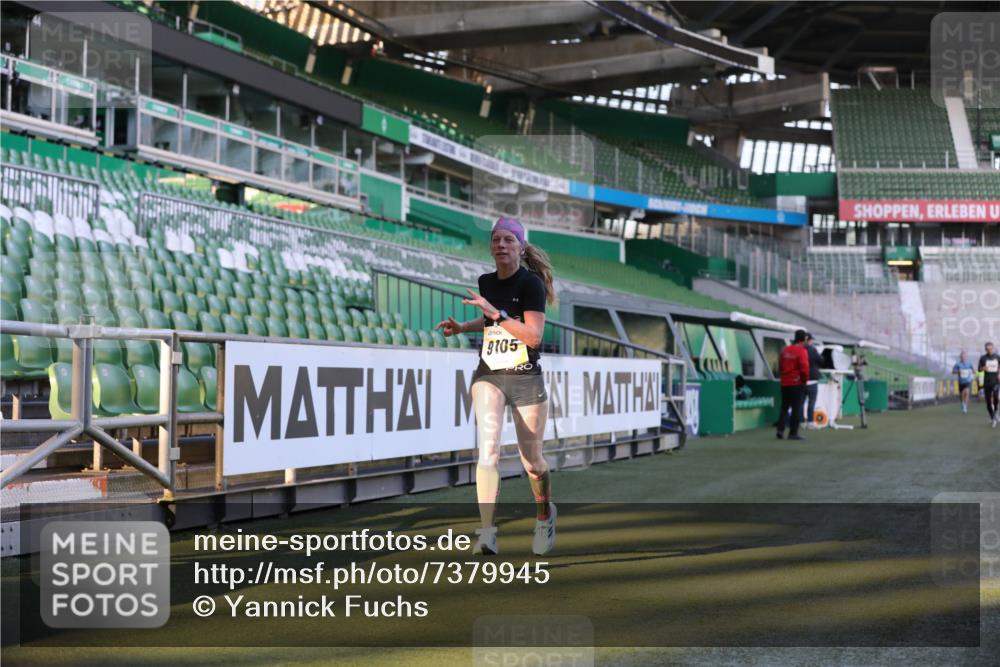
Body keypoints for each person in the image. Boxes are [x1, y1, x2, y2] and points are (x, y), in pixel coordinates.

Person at [436, 217, 557, 556]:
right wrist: (464, 327)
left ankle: (545, 514)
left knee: (531, 461)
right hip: (489, 373)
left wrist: (497, 313)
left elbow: (533, 335)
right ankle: (487, 532)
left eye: (508, 240)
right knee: (488, 450)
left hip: (524, 376)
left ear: (520, 247)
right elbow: (490, 319)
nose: (501, 245)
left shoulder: (530, 284)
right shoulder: (485, 281)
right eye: (496, 240)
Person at [777, 329, 810, 441]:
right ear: (804, 339)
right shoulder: (802, 351)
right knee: (796, 408)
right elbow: (804, 368)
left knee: (784, 407)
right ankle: (793, 433)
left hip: (785, 382)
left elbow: (780, 366)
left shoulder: (785, 350)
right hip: (796, 383)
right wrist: (804, 381)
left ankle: (780, 430)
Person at [803, 333, 824, 428]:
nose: (812, 341)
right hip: (812, 380)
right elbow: (821, 360)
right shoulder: (812, 349)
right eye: (811, 340)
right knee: (811, 402)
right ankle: (810, 422)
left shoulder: (800, 349)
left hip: (802, 380)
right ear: (809, 340)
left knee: (801, 402)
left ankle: (801, 422)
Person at [978, 342, 1000, 428]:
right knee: (988, 402)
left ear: (993, 348)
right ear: (985, 349)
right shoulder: (983, 358)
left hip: (996, 381)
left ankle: (995, 413)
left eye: (991, 349)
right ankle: (992, 416)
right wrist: (983, 368)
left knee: (995, 396)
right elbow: (979, 369)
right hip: (987, 382)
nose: (989, 350)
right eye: (987, 349)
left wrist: (999, 374)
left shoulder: (997, 357)